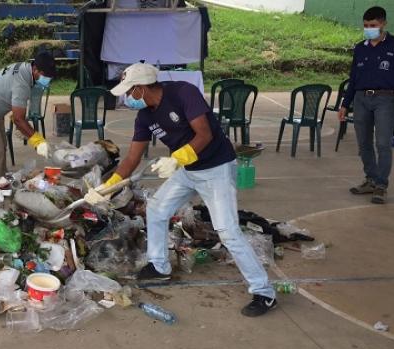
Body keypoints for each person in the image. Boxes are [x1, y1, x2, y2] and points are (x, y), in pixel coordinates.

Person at [85, 63, 277, 317]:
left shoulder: (183, 93)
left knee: (228, 232)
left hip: (216, 168)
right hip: (188, 171)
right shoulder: (145, 116)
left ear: (141, 89)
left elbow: (205, 134)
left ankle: (264, 292)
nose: (126, 98)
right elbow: (132, 158)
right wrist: (106, 188)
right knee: (156, 208)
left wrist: (177, 158)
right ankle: (159, 266)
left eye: (129, 92)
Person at [338, 6, 394, 204]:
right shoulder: (360, 47)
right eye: (365, 26)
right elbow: (353, 78)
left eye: (373, 25)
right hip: (361, 99)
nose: (369, 29)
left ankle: (381, 185)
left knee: (382, 143)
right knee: (364, 143)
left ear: (383, 24)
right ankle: (370, 179)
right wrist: (345, 104)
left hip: (385, 99)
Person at [0, 52, 56, 178]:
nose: (47, 80)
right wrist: (38, 141)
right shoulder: (22, 83)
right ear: (35, 69)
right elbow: (18, 119)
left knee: (1, 147)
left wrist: (23, 126)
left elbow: (17, 113)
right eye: (45, 76)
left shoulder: (24, 68)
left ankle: (1, 182)